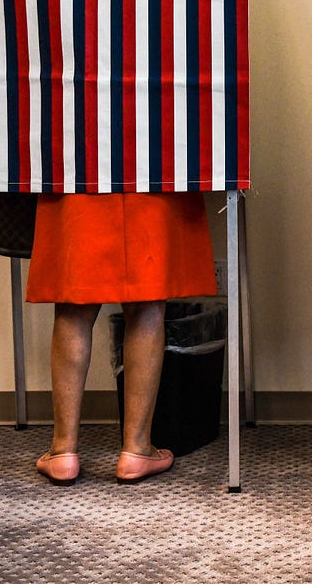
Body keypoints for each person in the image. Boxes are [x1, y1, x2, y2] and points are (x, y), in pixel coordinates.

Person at [25, 191, 216, 485]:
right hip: (149, 160)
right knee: (146, 300)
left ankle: (63, 451)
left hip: (79, 161)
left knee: (74, 304)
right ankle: (137, 449)